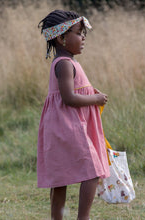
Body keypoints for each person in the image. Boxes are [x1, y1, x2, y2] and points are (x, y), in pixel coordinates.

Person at [37, 9, 110, 220]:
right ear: (61, 38)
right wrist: (96, 100)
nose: (83, 37)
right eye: (79, 33)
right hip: (69, 126)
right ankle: (83, 217)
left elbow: (75, 91)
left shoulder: (67, 62)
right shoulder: (65, 64)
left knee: (59, 179)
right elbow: (69, 98)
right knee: (92, 171)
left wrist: (90, 92)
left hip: (61, 126)